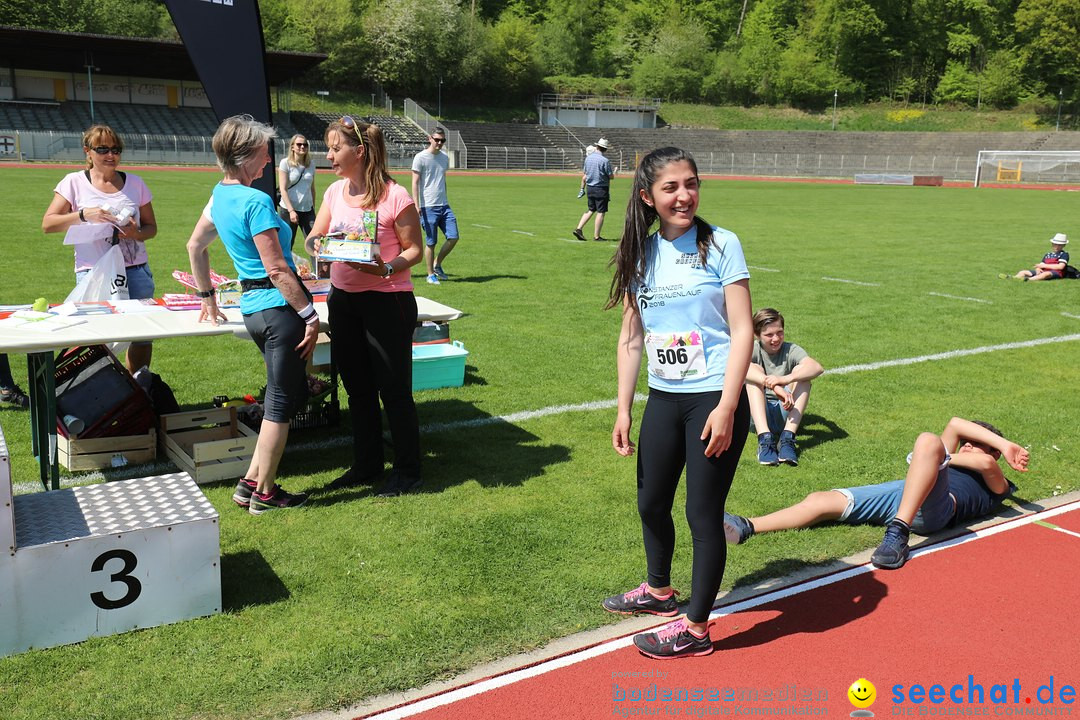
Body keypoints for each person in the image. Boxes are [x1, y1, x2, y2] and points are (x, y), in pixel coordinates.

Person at [605, 146, 759, 660]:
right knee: (650, 501)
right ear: (648, 197)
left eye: (690, 183)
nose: (684, 195)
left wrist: (728, 405)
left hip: (712, 397)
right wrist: (625, 407)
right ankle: (658, 592)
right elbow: (632, 337)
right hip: (664, 397)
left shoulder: (721, 245)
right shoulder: (641, 253)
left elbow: (742, 332)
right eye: (670, 188)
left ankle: (695, 631)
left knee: (701, 513)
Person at [186, 114, 316, 515]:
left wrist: (207, 295)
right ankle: (265, 492)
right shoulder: (256, 200)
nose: (267, 159)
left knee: (281, 397)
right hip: (278, 311)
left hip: (253, 311)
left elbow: (195, 245)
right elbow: (276, 269)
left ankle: (249, 483)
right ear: (244, 156)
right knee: (279, 406)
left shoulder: (221, 195)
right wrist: (310, 315)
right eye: (263, 152)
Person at [724, 417, 1030, 570]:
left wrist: (999, 448)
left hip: (937, 509)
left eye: (976, 442)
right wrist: (939, 457)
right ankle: (746, 525)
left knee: (927, 441)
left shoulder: (996, 482)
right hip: (906, 492)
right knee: (822, 500)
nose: (967, 444)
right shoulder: (949, 456)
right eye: (967, 440)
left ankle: (897, 535)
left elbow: (985, 461)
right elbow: (954, 424)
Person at [307, 116, 424, 497]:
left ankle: (408, 472)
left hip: (388, 302)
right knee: (357, 389)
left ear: (359, 151)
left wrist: (385, 267)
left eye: (335, 148)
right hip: (344, 302)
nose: (328, 155)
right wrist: (321, 248)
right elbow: (314, 237)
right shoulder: (334, 192)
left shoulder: (396, 195)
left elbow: (415, 251)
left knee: (393, 391)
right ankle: (367, 464)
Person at [42, 124, 158, 374]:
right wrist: (83, 214)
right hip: (94, 272)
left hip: (135, 271)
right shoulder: (73, 182)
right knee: (98, 335)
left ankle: (138, 388)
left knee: (142, 335)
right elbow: (48, 224)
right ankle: (102, 393)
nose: (111, 155)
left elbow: (151, 228)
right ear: (88, 152)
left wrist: (135, 233)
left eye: (116, 150)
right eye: (102, 149)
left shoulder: (135, 183)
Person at [745, 307, 824, 467]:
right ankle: (765, 439)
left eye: (779, 332)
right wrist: (774, 386)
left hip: (785, 411)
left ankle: (787, 438)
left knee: (803, 376)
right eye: (769, 335)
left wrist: (784, 379)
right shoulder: (753, 349)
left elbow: (817, 368)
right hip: (758, 416)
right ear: (757, 335)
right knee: (753, 372)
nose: (776, 338)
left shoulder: (791, 350)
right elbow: (736, 368)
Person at [411, 127, 458, 285]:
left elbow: (442, 180)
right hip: (428, 207)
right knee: (431, 242)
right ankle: (430, 274)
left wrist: (445, 198)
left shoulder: (444, 158)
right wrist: (417, 205)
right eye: (437, 139)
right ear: (429, 138)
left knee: (453, 237)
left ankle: (437, 264)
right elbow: (415, 183)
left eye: (442, 140)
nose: (439, 143)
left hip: (444, 205)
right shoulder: (420, 157)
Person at [277, 134, 318, 251]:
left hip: (307, 210)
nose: (302, 147)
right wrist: (291, 211)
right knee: (286, 244)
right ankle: (287, 269)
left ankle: (318, 270)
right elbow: (283, 189)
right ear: (292, 147)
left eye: (305, 145)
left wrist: (312, 208)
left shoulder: (311, 164)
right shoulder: (285, 163)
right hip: (288, 210)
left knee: (314, 243)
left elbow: (312, 188)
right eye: (299, 144)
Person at [572, 138, 614, 242]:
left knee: (591, 209)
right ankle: (596, 236)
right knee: (601, 212)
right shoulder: (605, 161)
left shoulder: (588, 158)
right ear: (605, 149)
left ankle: (579, 228)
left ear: (597, 146)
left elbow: (585, 173)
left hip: (590, 187)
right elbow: (610, 176)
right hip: (601, 188)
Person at [1001, 233, 1069, 281]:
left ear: (1064, 245)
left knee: (1045, 274)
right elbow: (1041, 264)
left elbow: (1060, 267)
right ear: (1052, 244)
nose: (1056, 247)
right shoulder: (1048, 254)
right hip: (1044, 270)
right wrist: (1038, 269)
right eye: (1055, 244)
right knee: (1023, 272)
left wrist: (1045, 265)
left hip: (1056, 273)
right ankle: (1013, 278)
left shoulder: (1064, 254)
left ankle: (1027, 279)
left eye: (1059, 245)